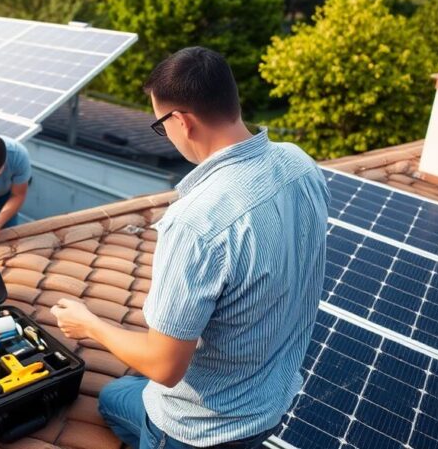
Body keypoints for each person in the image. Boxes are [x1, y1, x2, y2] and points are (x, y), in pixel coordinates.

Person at [51, 47, 329, 449]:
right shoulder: (301, 164)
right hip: (270, 406)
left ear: (181, 121)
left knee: (117, 395)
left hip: (196, 431)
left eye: (162, 125)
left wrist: (87, 323)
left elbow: (164, 368)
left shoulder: (196, 222)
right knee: (115, 397)